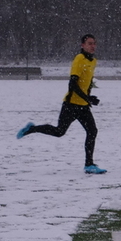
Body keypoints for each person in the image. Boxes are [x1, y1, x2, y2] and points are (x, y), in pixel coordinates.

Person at [16, 34, 106, 174]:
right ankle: (32, 129)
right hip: (71, 105)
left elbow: (86, 82)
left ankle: (89, 165)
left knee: (92, 131)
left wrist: (89, 96)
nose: (93, 46)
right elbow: (72, 84)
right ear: (82, 45)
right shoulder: (79, 59)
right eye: (89, 43)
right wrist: (87, 98)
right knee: (59, 132)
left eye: (94, 43)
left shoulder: (93, 61)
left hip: (83, 106)